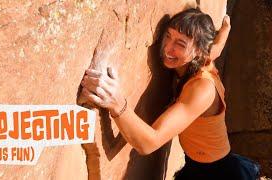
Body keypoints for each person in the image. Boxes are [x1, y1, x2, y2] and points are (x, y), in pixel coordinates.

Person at [80, 8, 259, 180]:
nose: (167, 48)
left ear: (199, 50)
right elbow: (218, 47)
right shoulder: (203, 55)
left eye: (180, 44)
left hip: (218, 173)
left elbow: (149, 142)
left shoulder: (202, 88)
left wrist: (116, 103)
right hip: (195, 164)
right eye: (168, 36)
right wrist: (226, 27)